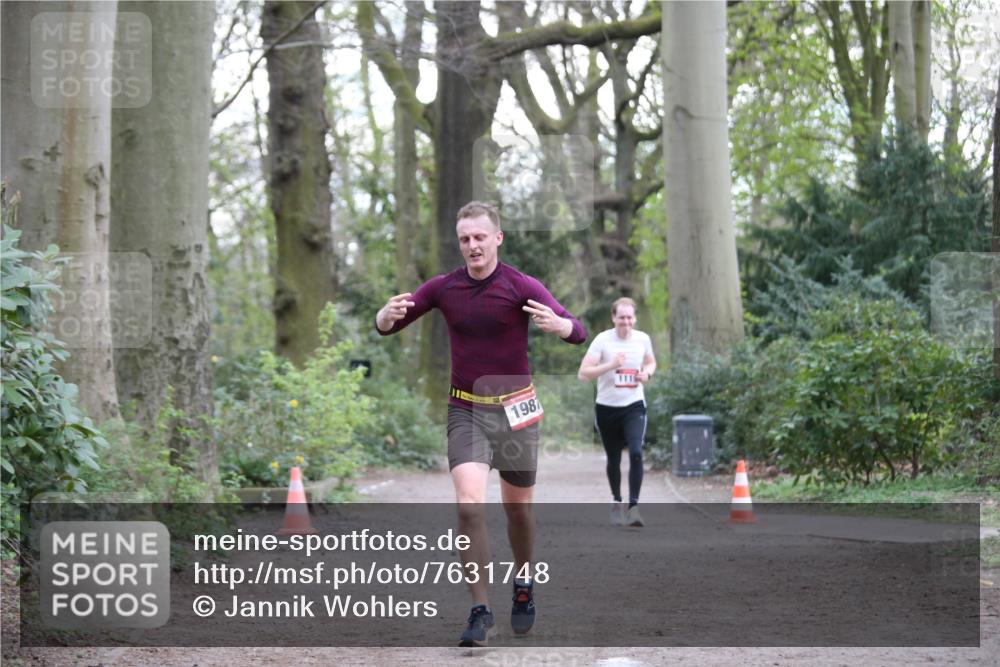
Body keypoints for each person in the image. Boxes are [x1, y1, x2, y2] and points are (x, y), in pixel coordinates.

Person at [375, 201, 586, 647]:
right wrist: (383, 317)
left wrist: (559, 327)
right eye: (465, 239)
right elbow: (391, 323)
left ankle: (524, 583)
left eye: (479, 237)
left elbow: (578, 329)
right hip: (466, 408)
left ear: (497, 238)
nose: (472, 245)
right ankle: (479, 608)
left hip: (516, 411)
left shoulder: (520, 285)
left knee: (518, 511)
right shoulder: (444, 288)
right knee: (469, 505)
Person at [577, 297, 656, 527]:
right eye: (621, 317)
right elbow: (583, 374)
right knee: (613, 458)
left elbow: (651, 363)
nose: (626, 322)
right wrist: (611, 365)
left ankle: (633, 507)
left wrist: (647, 374)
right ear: (613, 317)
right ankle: (616, 500)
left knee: (636, 452)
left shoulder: (643, 339)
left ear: (635, 318)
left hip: (634, 405)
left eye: (630, 317)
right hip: (607, 408)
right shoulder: (603, 341)